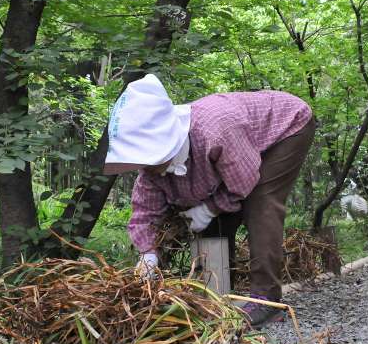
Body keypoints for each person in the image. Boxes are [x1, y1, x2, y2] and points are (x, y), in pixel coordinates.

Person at [103, 74, 315, 326]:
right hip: (242, 148)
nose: (144, 167)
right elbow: (144, 213)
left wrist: (209, 208)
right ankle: (218, 294)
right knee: (214, 220)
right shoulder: (151, 172)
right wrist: (148, 253)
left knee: (260, 203)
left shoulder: (215, 132)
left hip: (286, 127)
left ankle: (265, 300)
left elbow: (243, 183)